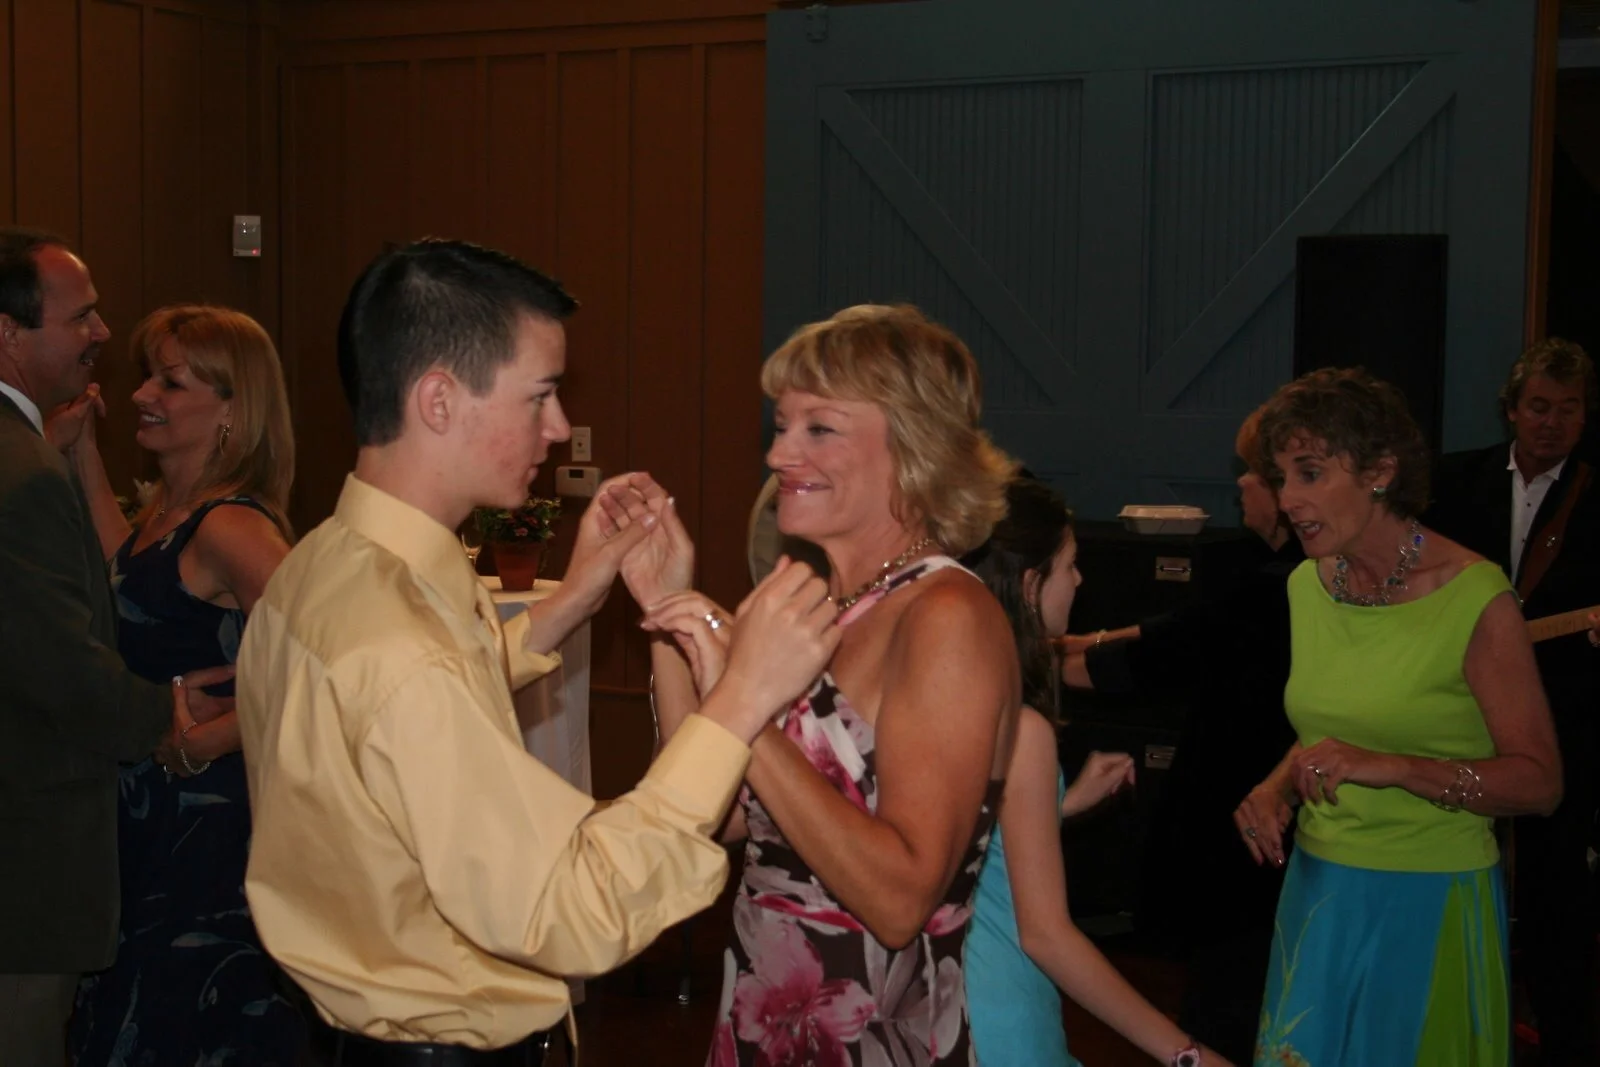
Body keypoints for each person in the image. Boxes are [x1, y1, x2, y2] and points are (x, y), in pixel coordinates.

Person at [235, 238, 839, 1064]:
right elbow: (569, 908)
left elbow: (406, 713)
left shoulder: (324, 565)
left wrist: (573, 598)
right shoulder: (403, 651)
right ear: (440, 400)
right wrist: (742, 698)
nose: (558, 428)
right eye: (541, 396)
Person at [636, 303, 1021, 1066]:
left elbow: (900, 900)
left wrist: (737, 694)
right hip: (761, 1024)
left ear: (913, 449)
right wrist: (668, 623)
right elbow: (715, 824)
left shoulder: (946, 615)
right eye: (781, 425)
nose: (780, 453)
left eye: (819, 428)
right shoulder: (823, 610)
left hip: (867, 1040)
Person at [1233, 367, 1563, 1066]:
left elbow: (1539, 783)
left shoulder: (1474, 598)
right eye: (1281, 476)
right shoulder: (1306, 586)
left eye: (1311, 473)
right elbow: (1333, 728)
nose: (1289, 499)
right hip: (1320, 895)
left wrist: (1400, 770)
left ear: (1380, 471)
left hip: (1428, 904)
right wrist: (1278, 785)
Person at [47, 305, 305, 1065]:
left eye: (172, 380)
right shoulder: (170, 513)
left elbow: (321, 664)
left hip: (204, 833)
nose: (140, 394)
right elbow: (124, 582)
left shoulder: (233, 526)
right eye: (147, 374)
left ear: (233, 408)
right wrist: (85, 459)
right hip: (152, 822)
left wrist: (203, 743)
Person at [0, 228, 233, 1065]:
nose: (102, 334)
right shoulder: (19, 467)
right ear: (9, 332)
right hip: (29, 852)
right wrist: (168, 716)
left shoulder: (33, 455)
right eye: (84, 316)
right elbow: (58, 662)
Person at [1058, 408, 1301, 1063]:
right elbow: (1173, 627)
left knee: (1232, 993)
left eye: (1250, 473)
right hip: (1248, 824)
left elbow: (1165, 648)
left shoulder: (1281, 590)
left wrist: (1040, 654)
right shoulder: (1265, 576)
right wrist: (1073, 642)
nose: (1241, 486)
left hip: (1251, 830)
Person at [962, 476, 1230, 1067]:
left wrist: (1058, 807)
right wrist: (1187, 1055)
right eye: (1070, 565)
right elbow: (1046, 934)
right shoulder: (1021, 726)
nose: (1080, 581)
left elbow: (961, 837)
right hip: (999, 999)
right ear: (1031, 585)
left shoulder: (940, 695)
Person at [1424, 338, 1600, 1065]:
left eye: (1568, 409)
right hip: (1461, 705)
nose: (1552, 423)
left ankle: (1563, 1045)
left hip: (1568, 714)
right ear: (1511, 409)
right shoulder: (1454, 479)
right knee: (1463, 868)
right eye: (1538, 407)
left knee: (1558, 891)